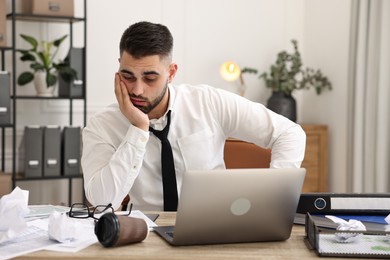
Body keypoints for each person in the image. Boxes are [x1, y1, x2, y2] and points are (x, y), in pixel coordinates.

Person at [81, 21, 306, 212]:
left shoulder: (208, 102)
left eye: (150, 78)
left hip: (214, 229)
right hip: (146, 236)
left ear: (171, 73)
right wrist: (138, 128)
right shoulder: (102, 125)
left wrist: (275, 200)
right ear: (118, 68)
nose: (137, 90)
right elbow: (102, 202)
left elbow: (290, 134)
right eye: (128, 76)